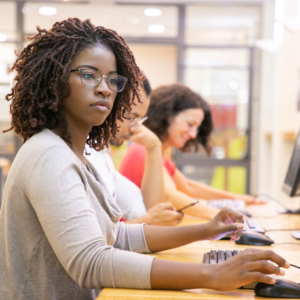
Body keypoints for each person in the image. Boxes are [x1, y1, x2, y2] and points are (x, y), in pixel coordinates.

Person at [0, 18, 289, 300]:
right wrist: (210, 274)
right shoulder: (50, 156)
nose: (104, 88)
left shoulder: (76, 154)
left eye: (113, 80)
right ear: (56, 78)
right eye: (89, 75)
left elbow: (116, 237)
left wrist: (205, 230)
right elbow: (91, 262)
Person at [119, 83, 265, 220]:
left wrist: (236, 198)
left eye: (196, 128)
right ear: (167, 116)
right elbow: (170, 196)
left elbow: (188, 186)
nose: (193, 134)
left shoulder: (158, 154)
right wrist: (222, 215)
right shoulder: (144, 150)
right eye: (190, 124)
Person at [85, 77, 183, 225]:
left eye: (139, 120)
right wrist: (147, 220)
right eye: (133, 117)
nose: (135, 128)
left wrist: (154, 146)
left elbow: (147, 210)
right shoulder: (82, 154)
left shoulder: (102, 157)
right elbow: (90, 236)